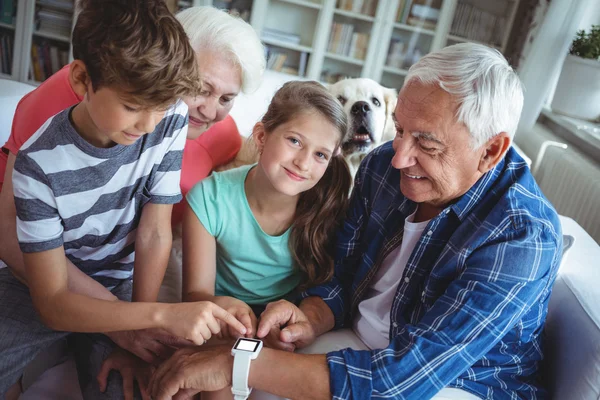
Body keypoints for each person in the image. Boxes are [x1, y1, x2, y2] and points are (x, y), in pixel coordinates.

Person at [149, 43, 563, 400]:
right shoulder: (383, 167)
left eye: (426, 144)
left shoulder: (522, 236)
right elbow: (341, 276)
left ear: (490, 151)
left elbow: (405, 379)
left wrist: (235, 363)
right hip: (360, 341)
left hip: (456, 383)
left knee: (241, 372)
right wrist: (311, 315)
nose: (399, 157)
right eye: (400, 129)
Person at [0, 5, 264, 395]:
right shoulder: (38, 162)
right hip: (39, 275)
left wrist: (143, 330)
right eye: (203, 90)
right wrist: (150, 317)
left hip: (121, 283)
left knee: (132, 386)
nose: (147, 125)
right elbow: (51, 298)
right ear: (81, 79)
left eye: (225, 98)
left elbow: (155, 232)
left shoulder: (169, 113)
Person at [182, 81, 351, 398]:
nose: (303, 162)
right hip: (224, 318)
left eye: (320, 154)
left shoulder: (328, 210)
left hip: (287, 321)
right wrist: (225, 307)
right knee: (214, 385)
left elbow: (327, 291)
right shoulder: (210, 197)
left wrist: (286, 328)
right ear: (261, 136)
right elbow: (195, 296)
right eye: (294, 141)